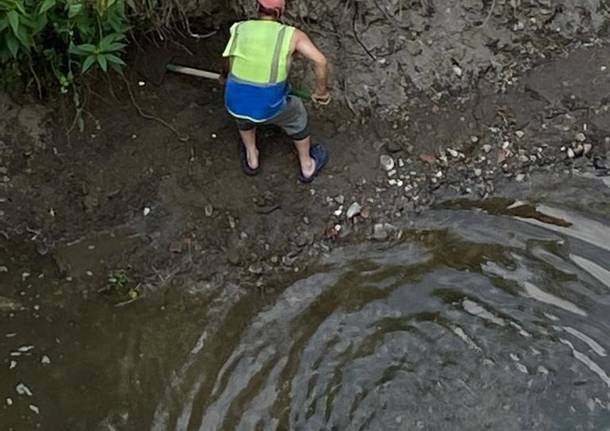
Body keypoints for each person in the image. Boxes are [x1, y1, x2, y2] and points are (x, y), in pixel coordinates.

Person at [222, 0, 331, 183]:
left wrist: (224, 76)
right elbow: (321, 61)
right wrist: (321, 92)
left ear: (258, 7)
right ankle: (307, 165)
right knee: (297, 114)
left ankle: (252, 158)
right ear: (281, 10)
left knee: (242, 110)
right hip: (268, 106)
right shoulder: (292, 35)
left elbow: (226, 59)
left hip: (234, 101)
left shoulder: (239, 28)